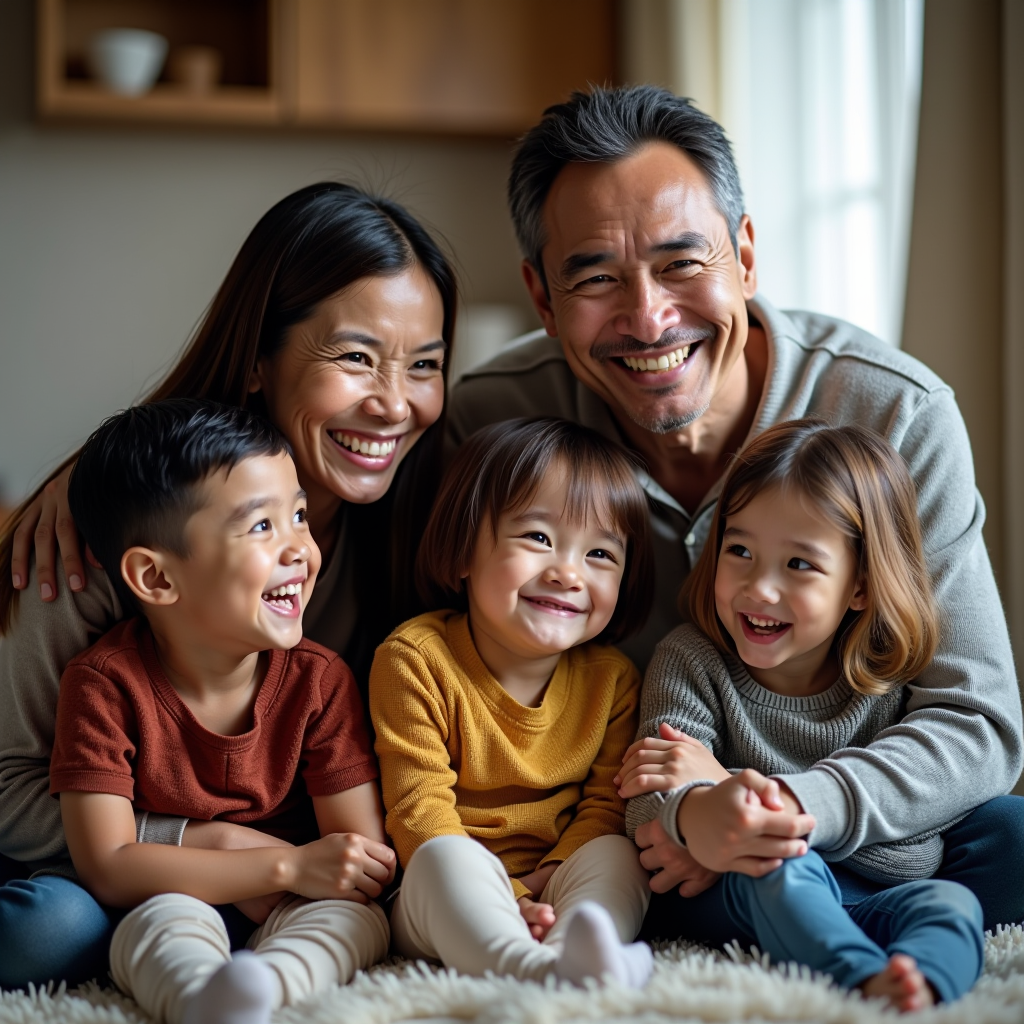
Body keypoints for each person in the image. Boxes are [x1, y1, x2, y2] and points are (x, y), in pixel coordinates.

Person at [447, 84, 1024, 931]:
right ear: (543, 299)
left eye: (683, 264)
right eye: (598, 278)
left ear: (745, 256)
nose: (649, 318)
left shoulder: (896, 414)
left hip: (844, 815)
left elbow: (975, 717)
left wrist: (780, 809)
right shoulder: (493, 422)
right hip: (636, 846)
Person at [0, 182, 456, 989]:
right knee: (57, 930)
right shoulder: (110, 531)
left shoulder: (424, 516)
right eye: (355, 357)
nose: (394, 404)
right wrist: (219, 849)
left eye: (424, 366)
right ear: (257, 359)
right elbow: (10, 791)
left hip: (293, 880)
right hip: (107, 867)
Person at [618, 420, 984, 1011]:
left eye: (799, 565)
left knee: (950, 903)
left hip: (862, 889)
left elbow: (916, 859)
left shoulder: (881, 677)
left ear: (861, 585)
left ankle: (920, 986)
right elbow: (647, 809)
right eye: (739, 551)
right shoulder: (691, 659)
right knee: (780, 867)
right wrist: (701, 815)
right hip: (744, 885)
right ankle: (859, 977)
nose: (759, 588)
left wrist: (724, 785)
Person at [51, 400, 393, 1024]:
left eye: (298, 516)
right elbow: (109, 865)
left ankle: (273, 983)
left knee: (353, 917)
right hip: (183, 890)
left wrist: (306, 877)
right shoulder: (104, 685)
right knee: (158, 922)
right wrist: (281, 863)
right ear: (155, 579)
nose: (299, 548)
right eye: (261, 527)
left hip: (297, 899)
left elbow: (356, 852)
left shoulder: (320, 681)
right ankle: (203, 1001)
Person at [370, 418, 655, 987]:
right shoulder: (415, 657)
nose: (568, 573)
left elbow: (603, 805)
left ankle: (583, 941)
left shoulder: (612, 679)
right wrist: (511, 900)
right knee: (450, 862)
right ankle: (530, 966)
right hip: (441, 891)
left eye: (600, 553)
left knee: (620, 856)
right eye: (538, 538)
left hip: (557, 880)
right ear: (463, 551)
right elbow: (417, 808)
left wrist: (548, 883)